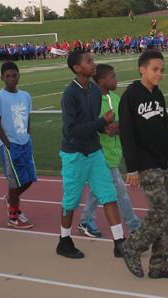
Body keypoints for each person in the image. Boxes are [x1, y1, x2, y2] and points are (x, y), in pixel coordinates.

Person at [116, 51, 168, 280]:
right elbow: (126, 134)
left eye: (162, 70)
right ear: (142, 70)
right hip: (145, 163)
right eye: (155, 70)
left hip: (161, 161)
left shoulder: (158, 95)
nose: (160, 74)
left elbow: (166, 129)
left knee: (167, 214)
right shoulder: (130, 96)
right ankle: (131, 247)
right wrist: (132, 168)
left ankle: (159, 264)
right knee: (162, 210)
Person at [57, 49, 124, 259]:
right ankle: (64, 241)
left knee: (109, 195)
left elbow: (91, 124)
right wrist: (101, 123)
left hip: (95, 152)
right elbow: (72, 130)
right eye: (88, 61)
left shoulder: (95, 91)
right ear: (77, 68)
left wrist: (104, 128)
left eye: (92, 60)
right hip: (75, 154)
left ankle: (119, 242)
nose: (93, 63)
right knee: (71, 201)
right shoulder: (70, 94)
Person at [77, 64, 142, 240]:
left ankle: (85, 220)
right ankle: (134, 225)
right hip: (100, 153)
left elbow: (125, 121)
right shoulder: (93, 100)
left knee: (99, 189)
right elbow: (89, 125)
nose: (116, 80)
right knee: (119, 190)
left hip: (115, 152)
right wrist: (103, 128)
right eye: (113, 77)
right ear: (101, 81)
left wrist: (117, 126)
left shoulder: (116, 98)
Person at [0, 62, 37, 229]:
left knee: (29, 178)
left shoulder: (25, 95)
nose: (11, 79)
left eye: (14, 75)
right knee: (14, 181)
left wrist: (28, 136)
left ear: (19, 76)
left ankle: (11, 199)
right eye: (7, 76)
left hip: (25, 141)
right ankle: (14, 215)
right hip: (10, 144)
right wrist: (7, 143)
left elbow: (27, 118)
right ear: (2, 78)